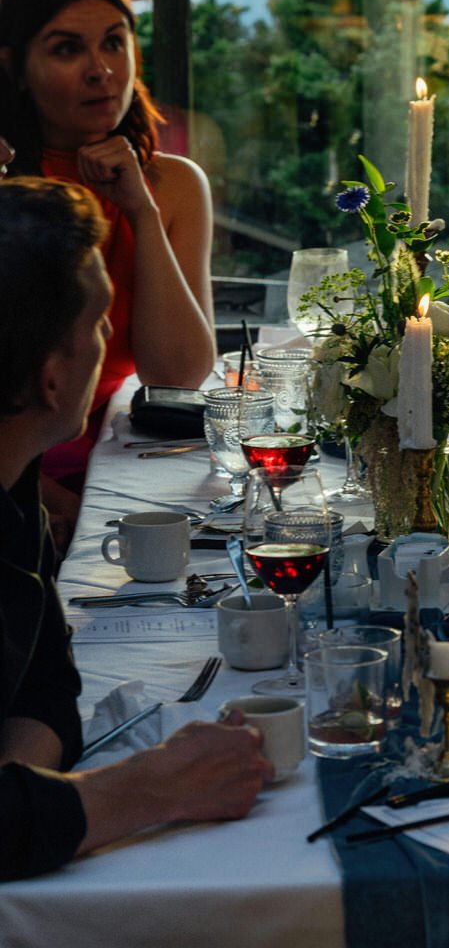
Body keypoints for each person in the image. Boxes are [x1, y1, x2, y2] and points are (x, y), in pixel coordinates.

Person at [0, 177, 269, 879]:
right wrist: (153, 786)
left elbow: (45, 685)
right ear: (53, 381)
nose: (106, 344)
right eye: (98, 326)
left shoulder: (12, 471)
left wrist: (22, 803)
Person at [0, 0, 217, 547]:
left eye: (114, 43)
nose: (101, 71)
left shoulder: (171, 184)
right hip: (24, 471)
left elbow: (177, 376)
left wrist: (141, 212)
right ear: (17, 68)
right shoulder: (8, 191)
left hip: (124, 459)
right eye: (67, 50)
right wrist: (40, 499)